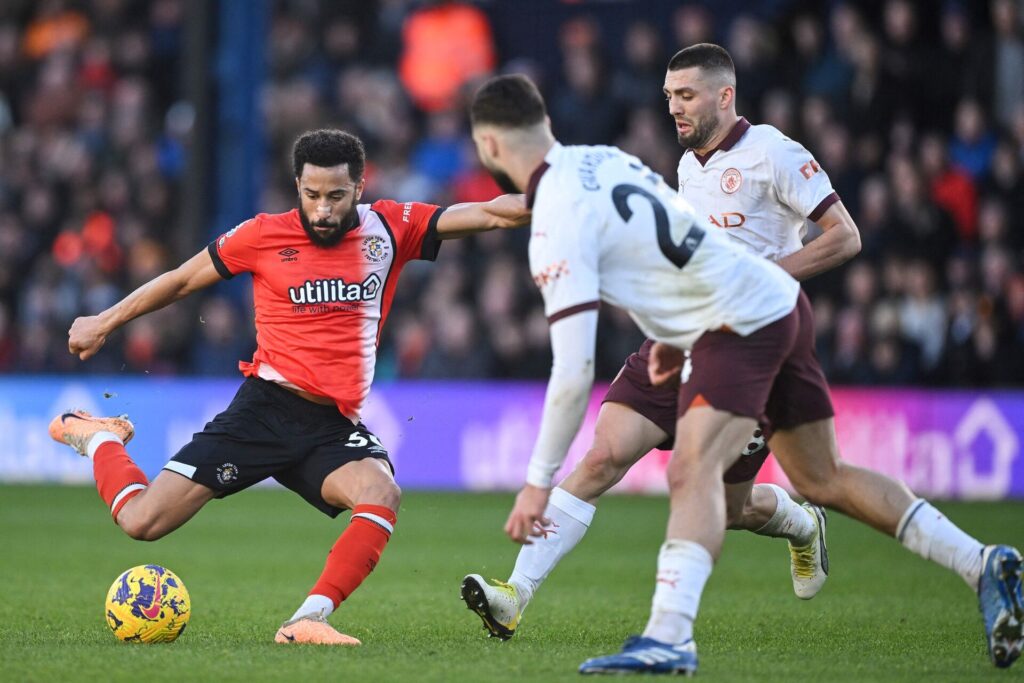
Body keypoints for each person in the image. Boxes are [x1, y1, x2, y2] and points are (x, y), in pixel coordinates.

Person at [465, 73, 1023, 675]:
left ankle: (669, 637)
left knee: (692, 470)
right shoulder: (603, 159)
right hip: (750, 311)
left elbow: (573, 371)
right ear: (544, 123)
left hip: (737, 322)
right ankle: (981, 561)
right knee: (822, 477)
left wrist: (536, 483)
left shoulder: (558, 225)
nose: (674, 108)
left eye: (686, 94)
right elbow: (674, 244)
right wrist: (675, 336)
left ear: (490, 147)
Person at [48, 129, 530, 646]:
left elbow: (492, 213)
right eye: (311, 194)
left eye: (336, 196)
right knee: (141, 522)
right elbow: (182, 280)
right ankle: (98, 438)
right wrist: (105, 319)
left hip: (330, 425)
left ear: (360, 187)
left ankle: (308, 619)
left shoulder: (391, 227)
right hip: (264, 410)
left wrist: (558, 195)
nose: (322, 209)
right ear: (297, 184)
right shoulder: (261, 235)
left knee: (381, 491)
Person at [461, 43, 862, 641]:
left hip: (750, 344)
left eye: (686, 95)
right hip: (677, 338)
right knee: (601, 457)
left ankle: (802, 526)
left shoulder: (775, 153)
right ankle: (514, 594)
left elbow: (845, 237)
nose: (673, 107)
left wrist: (770, 273)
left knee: (727, 508)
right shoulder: (686, 166)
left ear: (724, 95)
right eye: (669, 96)